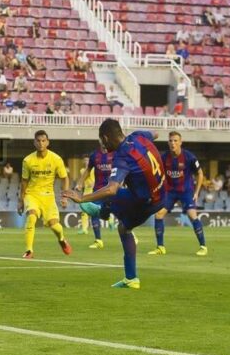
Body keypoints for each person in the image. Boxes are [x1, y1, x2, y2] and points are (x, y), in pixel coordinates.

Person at [63, 119, 166, 289]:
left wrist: (82, 198)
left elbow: (111, 189)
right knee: (123, 228)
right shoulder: (139, 136)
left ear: (106, 137)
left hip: (145, 201)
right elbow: (156, 134)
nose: (103, 145)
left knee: (110, 193)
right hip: (161, 194)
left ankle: (101, 213)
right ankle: (131, 279)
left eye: (102, 140)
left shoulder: (122, 156)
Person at [149, 132, 207, 256]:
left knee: (192, 215)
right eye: (170, 141)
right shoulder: (164, 157)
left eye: (175, 141)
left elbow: (200, 174)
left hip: (186, 191)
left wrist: (196, 192)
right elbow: (159, 174)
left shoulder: (189, 157)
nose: (173, 143)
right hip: (170, 192)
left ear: (181, 142)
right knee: (158, 215)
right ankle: (160, 247)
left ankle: (203, 246)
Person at [18, 130, 71, 259]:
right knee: (31, 217)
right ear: (34, 143)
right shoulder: (28, 160)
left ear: (48, 142)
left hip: (48, 196)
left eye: (43, 141)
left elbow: (64, 178)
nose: (41, 143)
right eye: (38, 141)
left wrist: (64, 196)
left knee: (55, 226)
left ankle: (62, 239)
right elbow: (24, 181)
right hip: (32, 194)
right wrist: (21, 200)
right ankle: (29, 250)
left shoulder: (56, 159)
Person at [75, 146, 116, 249]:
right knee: (93, 213)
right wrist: (80, 183)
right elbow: (88, 170)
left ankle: (131, 236)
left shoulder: (116, 153)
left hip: (112, 189)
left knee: (122, 213)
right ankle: (98, 240)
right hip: (97, 191)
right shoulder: (95, 156)